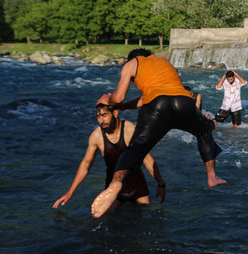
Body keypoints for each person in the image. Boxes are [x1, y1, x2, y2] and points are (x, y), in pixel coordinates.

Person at [91, 48, 226, 219]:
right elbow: (144, 99)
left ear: (133, 58)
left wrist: (109, 101)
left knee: (135, 149)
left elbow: (118, 98)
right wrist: (124, 107)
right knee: (205, 130)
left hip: (157, 106)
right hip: (184, 102)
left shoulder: (133, 64)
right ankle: (211, 176)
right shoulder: (165, 63)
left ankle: (115, 183)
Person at [53, 104, 165, 213]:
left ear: (115, 113)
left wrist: (160, 183)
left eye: (104, 115)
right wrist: (70, 192)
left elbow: (147, 158)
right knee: (102, 221)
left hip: (138, 187)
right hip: (113, 188)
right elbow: (86, 164)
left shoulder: (129, 129)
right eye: (98, 116)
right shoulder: (97, 136)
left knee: (146, 219)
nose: (101, 120)